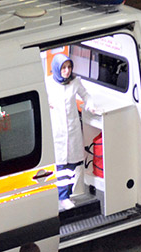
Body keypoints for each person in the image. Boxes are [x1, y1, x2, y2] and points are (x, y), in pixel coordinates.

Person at [46, 53, 96, 211]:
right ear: (56, 68)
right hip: (57, 131)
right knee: (61, 166)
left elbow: (86, 95)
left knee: (73, 164)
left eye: (69, 67)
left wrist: (90, 105)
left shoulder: (75, 82)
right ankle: (63, 197)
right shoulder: (48, 83)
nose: (67, 71)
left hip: (73, 130)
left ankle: (67, 193)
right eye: (63, 68)